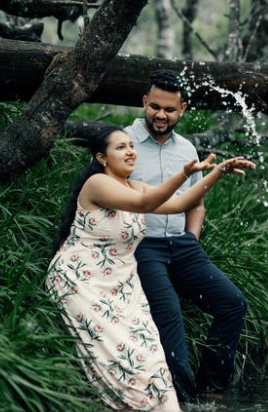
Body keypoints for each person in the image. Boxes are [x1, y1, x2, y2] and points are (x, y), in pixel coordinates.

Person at [46, 124, 255, 411]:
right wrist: (183, 174)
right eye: (120, 147)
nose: (130, 151)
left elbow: (180, 202)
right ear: (102, 158)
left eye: (131, 146)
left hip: (121, 278)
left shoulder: (134, 185)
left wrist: (217, 173)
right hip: (83, 277)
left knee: (151, 352)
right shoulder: (97, 183)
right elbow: (146, 203)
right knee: (124, 351)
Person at [124, 69, 250, 402]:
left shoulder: (187, 150)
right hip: (141, 247)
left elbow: (195, 205)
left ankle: (211, 393)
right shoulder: (123, 143)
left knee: (233, 305)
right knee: (171, 319)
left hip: (182, 246)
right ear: (144, 103)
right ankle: (182, 401)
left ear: (183, 109)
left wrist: (192, 239)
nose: (160, 115)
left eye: (169, 109)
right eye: (154, 107)